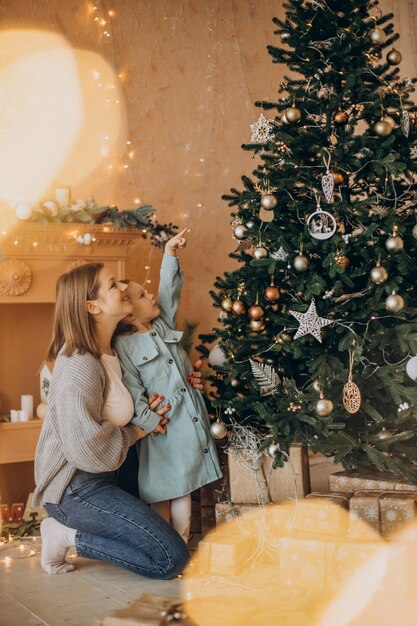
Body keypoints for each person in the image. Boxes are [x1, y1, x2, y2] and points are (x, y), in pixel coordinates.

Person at [33, 261, 190, 577]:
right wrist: (137, 431)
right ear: (92, 306)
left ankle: (94, 531)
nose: (123, 287)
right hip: (75, 487)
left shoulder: (117, 348)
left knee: (155, 542)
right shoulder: (80, 365)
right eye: (112, 284)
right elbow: (85, 450)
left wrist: (187, 379)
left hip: (114, 471)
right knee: (170, 559)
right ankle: (64, 534)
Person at [114, 228, 222, 543]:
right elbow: (133, 389)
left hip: (185, 426)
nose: (152, 297)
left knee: (183, 488)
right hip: (161, 432)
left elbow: (168, 290)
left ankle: (180, 545)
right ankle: (164, 547)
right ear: (130, 311)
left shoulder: (162, 325)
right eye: (143, 296)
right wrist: (149, 423)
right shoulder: (124, 346)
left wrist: (170, 254)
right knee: (159, 491)